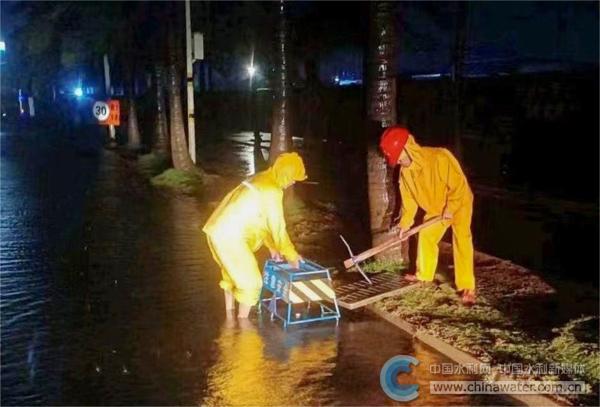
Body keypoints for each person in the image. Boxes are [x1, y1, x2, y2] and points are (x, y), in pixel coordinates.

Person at [379, 126, 476, 305]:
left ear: (408, 147)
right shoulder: (405, 173)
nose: (397, 161)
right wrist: (405, 224)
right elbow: (409, 202)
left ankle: (467, 286)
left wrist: (451, 207)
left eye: (398, 156)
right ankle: (424, 275)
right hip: (436, 209)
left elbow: (458, 185)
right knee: (426, 235)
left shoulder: (439, 157)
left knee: (462, 239)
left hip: (460, 202)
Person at [203, 152, 306, 318]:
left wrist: (271, 246)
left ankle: (229, 320)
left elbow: (259, 217)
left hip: (216, 230)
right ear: (286, 173)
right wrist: (291, 255)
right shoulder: (272, 190)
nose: (293, 182)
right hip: (230, 237)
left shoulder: (260, 178)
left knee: (232, 276)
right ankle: (242, 328)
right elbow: (278, 227)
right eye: (293, 177)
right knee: (252, 284)